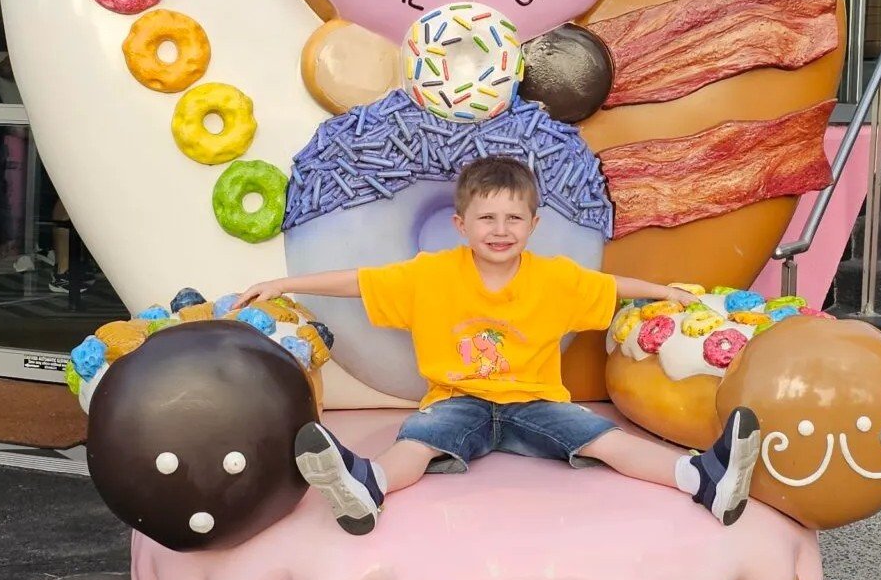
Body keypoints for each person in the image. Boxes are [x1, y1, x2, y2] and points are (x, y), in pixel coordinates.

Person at [234, 157, 762, 536]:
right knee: (419, 440)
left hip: (535, 403)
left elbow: (613, 287)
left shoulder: (556, 278)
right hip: (457, 400)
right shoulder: (430, 275)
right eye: (487, 218)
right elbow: (358, 281)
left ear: (533, 225)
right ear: (461, 225)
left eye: (514, 218)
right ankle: (367, 486)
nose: (501, 230)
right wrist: (284, 283)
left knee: (603, 439)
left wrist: (666, 293)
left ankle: (705, 479)